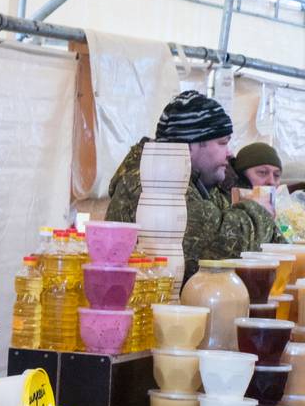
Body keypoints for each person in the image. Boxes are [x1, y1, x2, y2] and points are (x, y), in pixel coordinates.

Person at [106, 90, 277, 277]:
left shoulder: (199, 183)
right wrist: (260, 212)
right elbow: (220, 246)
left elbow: (268, 241)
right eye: (222, 143)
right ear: (189, 146)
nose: (230, 153)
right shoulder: (154, 184)